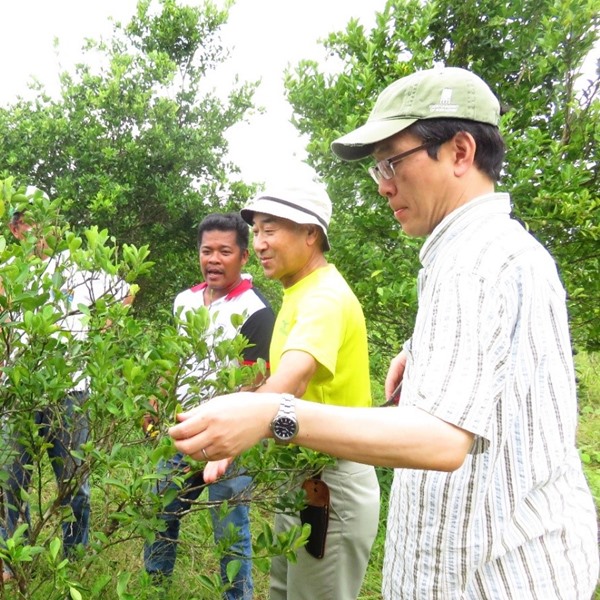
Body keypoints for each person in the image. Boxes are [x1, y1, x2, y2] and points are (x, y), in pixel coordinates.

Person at [168, 66, 599, 599]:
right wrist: (419, 351)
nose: (384, 186)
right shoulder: (485, 253)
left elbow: (442, 440)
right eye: (378, 170)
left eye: (393, 161)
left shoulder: (475, 261)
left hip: (494, 575)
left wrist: (268, 414)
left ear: (461, 152)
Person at [204, 184, 380, 600]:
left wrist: (233, 433)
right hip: (303, 475)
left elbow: (294, 378)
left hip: (330, 483)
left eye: (270, 231)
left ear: (310, 234)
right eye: (257, 232)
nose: (260, 244)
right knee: (284, 590)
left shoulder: (324, 297)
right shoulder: (298, 291)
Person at [143, 212, 275, 600]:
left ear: (244, 256)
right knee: (160, 508)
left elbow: (256, 383)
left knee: (229, 527)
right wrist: (157, 398)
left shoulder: (256, 311)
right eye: (206, 250)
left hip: (229, 433)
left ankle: (238, 596)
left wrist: (233, 438)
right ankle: (155, 587)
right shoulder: (185, 300)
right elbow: (177, 359)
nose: (214, 259)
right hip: (184, 426)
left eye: (224, 251)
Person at [1, 206, 131, 582]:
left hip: (70, 390)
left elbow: (126, 292)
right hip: (17, 390)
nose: (34, 230)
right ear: (14, 229)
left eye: (40, 222)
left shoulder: (74, 268)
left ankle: (74, 560)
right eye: (26, 223)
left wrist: (101, 330)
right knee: (8, 480)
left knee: (75, 483)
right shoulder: (7, 271)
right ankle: (7, 561)